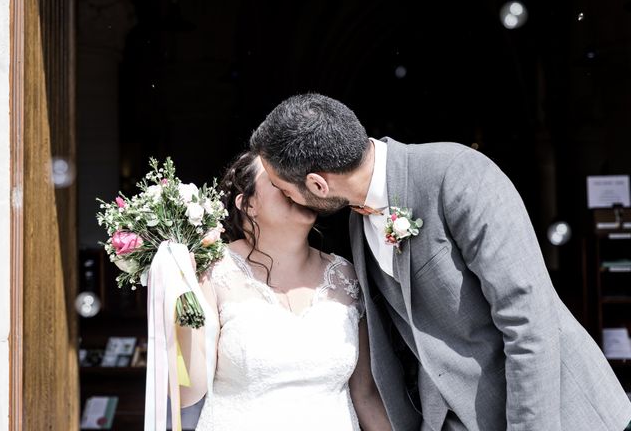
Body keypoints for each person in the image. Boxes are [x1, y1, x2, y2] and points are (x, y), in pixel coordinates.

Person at [249, 92, 631, 431]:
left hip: (558, 416)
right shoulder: (357, 220)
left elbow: (530, 322)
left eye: (285, 191)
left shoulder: (457, 175)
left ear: (317, 184)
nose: (290, 201)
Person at [176, 150, 392, 431]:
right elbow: (187, 392)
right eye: (279, 179)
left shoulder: (345, 275)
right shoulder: (211, 272)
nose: (297, 184)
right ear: (248, 204)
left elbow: (365, 395)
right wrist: (180, 289)